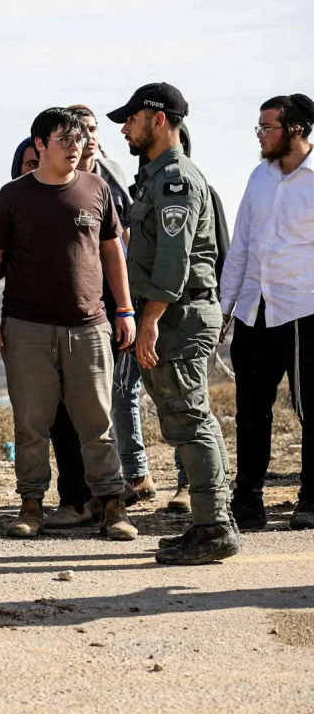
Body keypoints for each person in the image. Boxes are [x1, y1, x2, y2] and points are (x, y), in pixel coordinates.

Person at [0, 107, 137, 542]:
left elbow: (111, 251)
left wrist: (125, 309)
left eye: (80, 139)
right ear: (40, 144)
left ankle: (112, 507)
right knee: (31, 425)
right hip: (26, 328)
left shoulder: (96, 188)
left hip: (89, 326)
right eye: (64, 139)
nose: (75, 147)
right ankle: (31, 506)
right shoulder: (13, 196)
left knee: (98, 423)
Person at [110, 82, 240, 564]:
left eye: (131, 119)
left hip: (177, 315)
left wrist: (149, 321)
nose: (125, 128)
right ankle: (211, 523)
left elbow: (172, 258)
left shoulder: (175, 180)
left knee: (191, 421)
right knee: (188, 421)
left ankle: (215, 528)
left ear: (158, 120)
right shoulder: (156, 177)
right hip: (173, 314)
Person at [220, 93, 314, 531]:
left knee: (309, 409)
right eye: (259, 127)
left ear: (295, 129)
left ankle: (310, 500)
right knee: (250, 411)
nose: (260, 135)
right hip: (254, 311)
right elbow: (240, 245)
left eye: (267, 127)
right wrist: (225, 307)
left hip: (303, 311)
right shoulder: (259, 177)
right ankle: (247, 503)